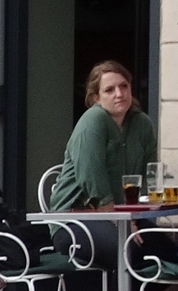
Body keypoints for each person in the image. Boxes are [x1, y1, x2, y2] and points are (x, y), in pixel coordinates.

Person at [46, 61, 158, 212]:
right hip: (77, 215)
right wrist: (119, 220)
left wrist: (139, 211)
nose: (119, 94)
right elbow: (92, 177)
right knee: (121, 236)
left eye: (124, 86)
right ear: (96, 98)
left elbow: (151, 173)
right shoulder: (93, 119)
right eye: (109, 90)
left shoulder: (142, 123)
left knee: (160, 236)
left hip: (127, 213)